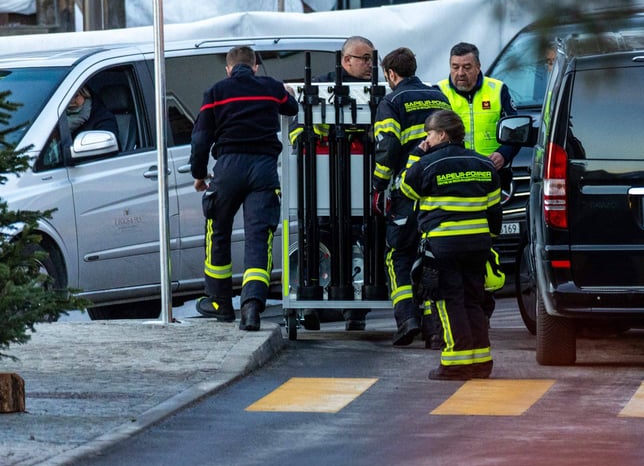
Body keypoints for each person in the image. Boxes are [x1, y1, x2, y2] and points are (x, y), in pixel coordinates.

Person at [190, 45, 299, 331]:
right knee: (258, 237)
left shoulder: (215, 92)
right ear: (254, 67)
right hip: (263, 169)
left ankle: (220, 304)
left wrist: (199, 174)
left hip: (227, 168)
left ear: (228, 69)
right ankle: (252, 308)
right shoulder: (270, 88)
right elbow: (292, 107)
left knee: (218, 231)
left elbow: (200, 139)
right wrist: (283, 91)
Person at [399, 109, 502, 380]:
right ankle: (481, 362)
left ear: (442, 134)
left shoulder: (428, 163)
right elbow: (494, 209)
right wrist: (489, 239)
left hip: (444, 244)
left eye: (429, 134)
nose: (427, 139)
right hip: (478, 243)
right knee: (474, 299)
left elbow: (406, 188)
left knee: (448, 300)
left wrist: (416, 155)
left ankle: (455, 363)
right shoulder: (484, 164)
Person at [372, 47, 452, 349]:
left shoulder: (391, 101)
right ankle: (435, 330)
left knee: (398, 254)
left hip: (408, 189)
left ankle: (407, 318)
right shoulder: (439, 97)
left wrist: (379, 185)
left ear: (391, 74)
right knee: (432, 255)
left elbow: (388, 147)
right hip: (440, 187)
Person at [436, 42, 518, 320]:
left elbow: (515, 128)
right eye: (455, 67)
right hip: (451, 182)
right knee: (454, 245)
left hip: (487, 182)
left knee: (485, 242)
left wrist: (503, 155)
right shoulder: (440, 93)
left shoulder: (497, 90)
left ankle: (484, 301)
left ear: (478, 67)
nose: (460, 73)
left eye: (467, 67)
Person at [313, 34, 376, 331]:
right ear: (346, 60)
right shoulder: (320, 87)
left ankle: (355, 311)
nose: (369, 64)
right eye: (364, 59)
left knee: (360, 245)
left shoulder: (378, 89)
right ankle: (313, 307)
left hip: (362, 182)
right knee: (320, 243)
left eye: (372, 59)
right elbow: (300, 132)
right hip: (324, 183)